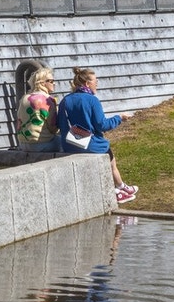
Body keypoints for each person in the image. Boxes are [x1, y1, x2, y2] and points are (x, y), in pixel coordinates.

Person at [56, 67, 137, 205]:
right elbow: (102, 125)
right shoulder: (92, 100)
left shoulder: (65, 101)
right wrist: (119, 118)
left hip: (69, 144)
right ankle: (117, 191)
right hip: (90, 144)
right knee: (108, 152)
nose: (97, 83)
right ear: (87, 84)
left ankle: (121, 187)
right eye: (95, 81)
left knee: (107, 153)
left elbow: (60, 123)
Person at [15, 66, 60, 153]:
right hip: (41, 144)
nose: (54, 83)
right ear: (42, 83)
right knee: (64, 142)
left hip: (22, 144)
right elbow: (53, 128)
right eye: (51, 81)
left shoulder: (24, 98)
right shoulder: (48, 100)